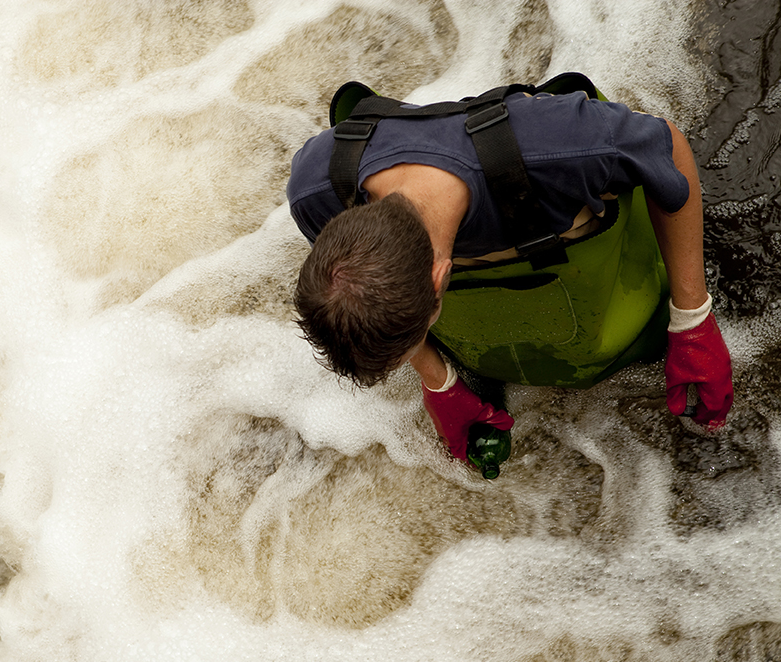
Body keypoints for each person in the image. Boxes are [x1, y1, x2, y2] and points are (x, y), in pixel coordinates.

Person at [286, 84, 734, 462]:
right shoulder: (316, 190)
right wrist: (437, 380)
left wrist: (693, 316)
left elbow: (669, 148)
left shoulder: (558, 150)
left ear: (440, 279)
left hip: (537, 164)